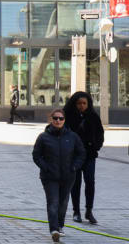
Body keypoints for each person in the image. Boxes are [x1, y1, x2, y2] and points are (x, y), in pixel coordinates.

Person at [32, 109, 85, 242]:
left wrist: (74, 167)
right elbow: (36, 155)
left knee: (63, 202)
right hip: (49, 177)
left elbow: (81, 153)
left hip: (68, 176)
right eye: (55, 118)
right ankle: (54, 229)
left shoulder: (72, 137)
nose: (58, 121)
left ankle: (60, 226)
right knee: (53, 202)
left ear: (64, 120)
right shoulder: (43, 137)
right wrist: (46, 168)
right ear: (51, 119)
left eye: (61, 118)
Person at [64, 91, 104, 224]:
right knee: (76, 183)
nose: (81, 106)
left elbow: (100, 133)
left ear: (88, 104)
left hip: (89, 155)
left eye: (84, 103)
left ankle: (89, 210)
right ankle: (76, 211)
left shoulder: (93, 116)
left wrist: (96, 146)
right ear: (74, 104)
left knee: (90, 182)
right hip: (74, 156)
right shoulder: (68, 117)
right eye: (79, 103)